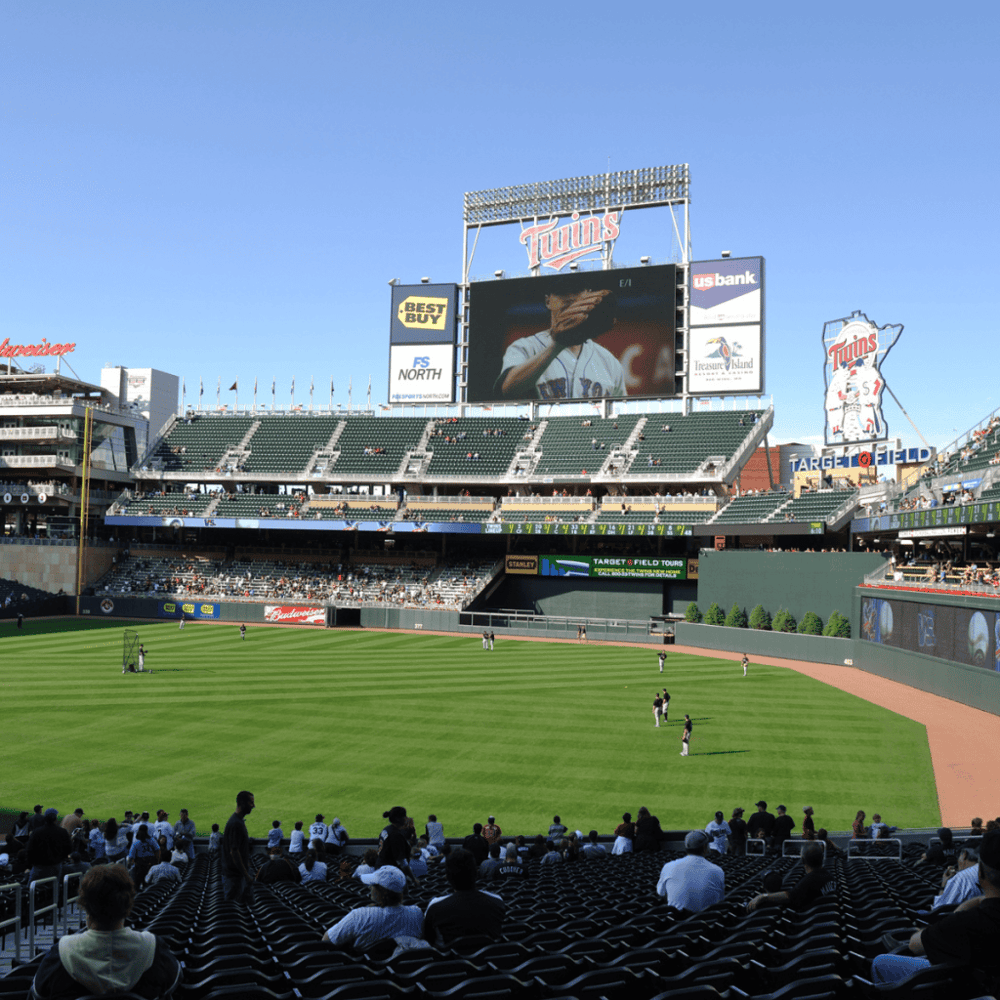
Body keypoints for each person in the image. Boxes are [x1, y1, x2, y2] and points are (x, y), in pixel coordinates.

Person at [30, 864, 181, 1000]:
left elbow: (38, 993)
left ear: (85, 905)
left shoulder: (61, 953)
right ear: (127, 904)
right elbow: (174, 984)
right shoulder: (153, 948)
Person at [870, 829, 1000, 985]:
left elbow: (914, 945)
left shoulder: (966, 922)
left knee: (881, 962)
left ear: (980, 873)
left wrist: (963, 908)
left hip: (965, 982)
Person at [497, 286, 625, 400]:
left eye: (576, 290)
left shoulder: (609, 361)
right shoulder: (525, 347)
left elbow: (623, 413)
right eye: (562, 292)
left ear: (589, 294)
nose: (569, 298)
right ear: (548, 301)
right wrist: (556, 346)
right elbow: (508, 389)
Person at [323, 866, 423, 952]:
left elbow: (327, 940)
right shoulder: (417, 913)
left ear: (380, 891)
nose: (369, 887)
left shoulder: (359, 915)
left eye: (373, 884)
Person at [423, 848, 506, 947]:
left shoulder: (434, 906)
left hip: (450, 961)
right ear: (476, 873)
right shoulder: (498, 901)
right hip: (489, 960)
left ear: (448, 877)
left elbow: (429, 941)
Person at [747, 843, 836, 911]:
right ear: (821, 858)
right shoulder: (831, 877)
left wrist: (763, 896)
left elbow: (789, 896)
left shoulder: (809, 882)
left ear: (803, 861)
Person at [656, 830, 725, 914]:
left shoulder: (668, 867)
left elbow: (661, 893)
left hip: (675, 924)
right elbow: (720, 899)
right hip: (706, 923)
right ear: (704, 847)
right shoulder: (718, 871)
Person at [222, 789, 255, 904]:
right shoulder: (236, 823)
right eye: (251, 803)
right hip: (236, 878)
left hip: (237, 877)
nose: (253, 806)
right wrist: (246, 875)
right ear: (242, 803)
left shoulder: (237, 821)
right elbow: (234, 852)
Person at [26, 808, 72, 884]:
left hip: (38, 866)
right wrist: (60, 858)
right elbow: (69, 849)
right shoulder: (62, 832)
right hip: (55, 865)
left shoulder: (36, 832)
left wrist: (29, 866)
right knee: (53, 888)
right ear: (55, 818)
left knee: (31, 889)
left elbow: (29, 850)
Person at [380, 807, 418, 883]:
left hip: (383, 870)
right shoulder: (396, 835)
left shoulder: (387, 829)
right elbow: (402, 862)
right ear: (398, 819)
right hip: (392, 875)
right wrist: (413, 879)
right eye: (405, 816)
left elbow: (405, 839)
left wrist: (411, 830)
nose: (406, 818)